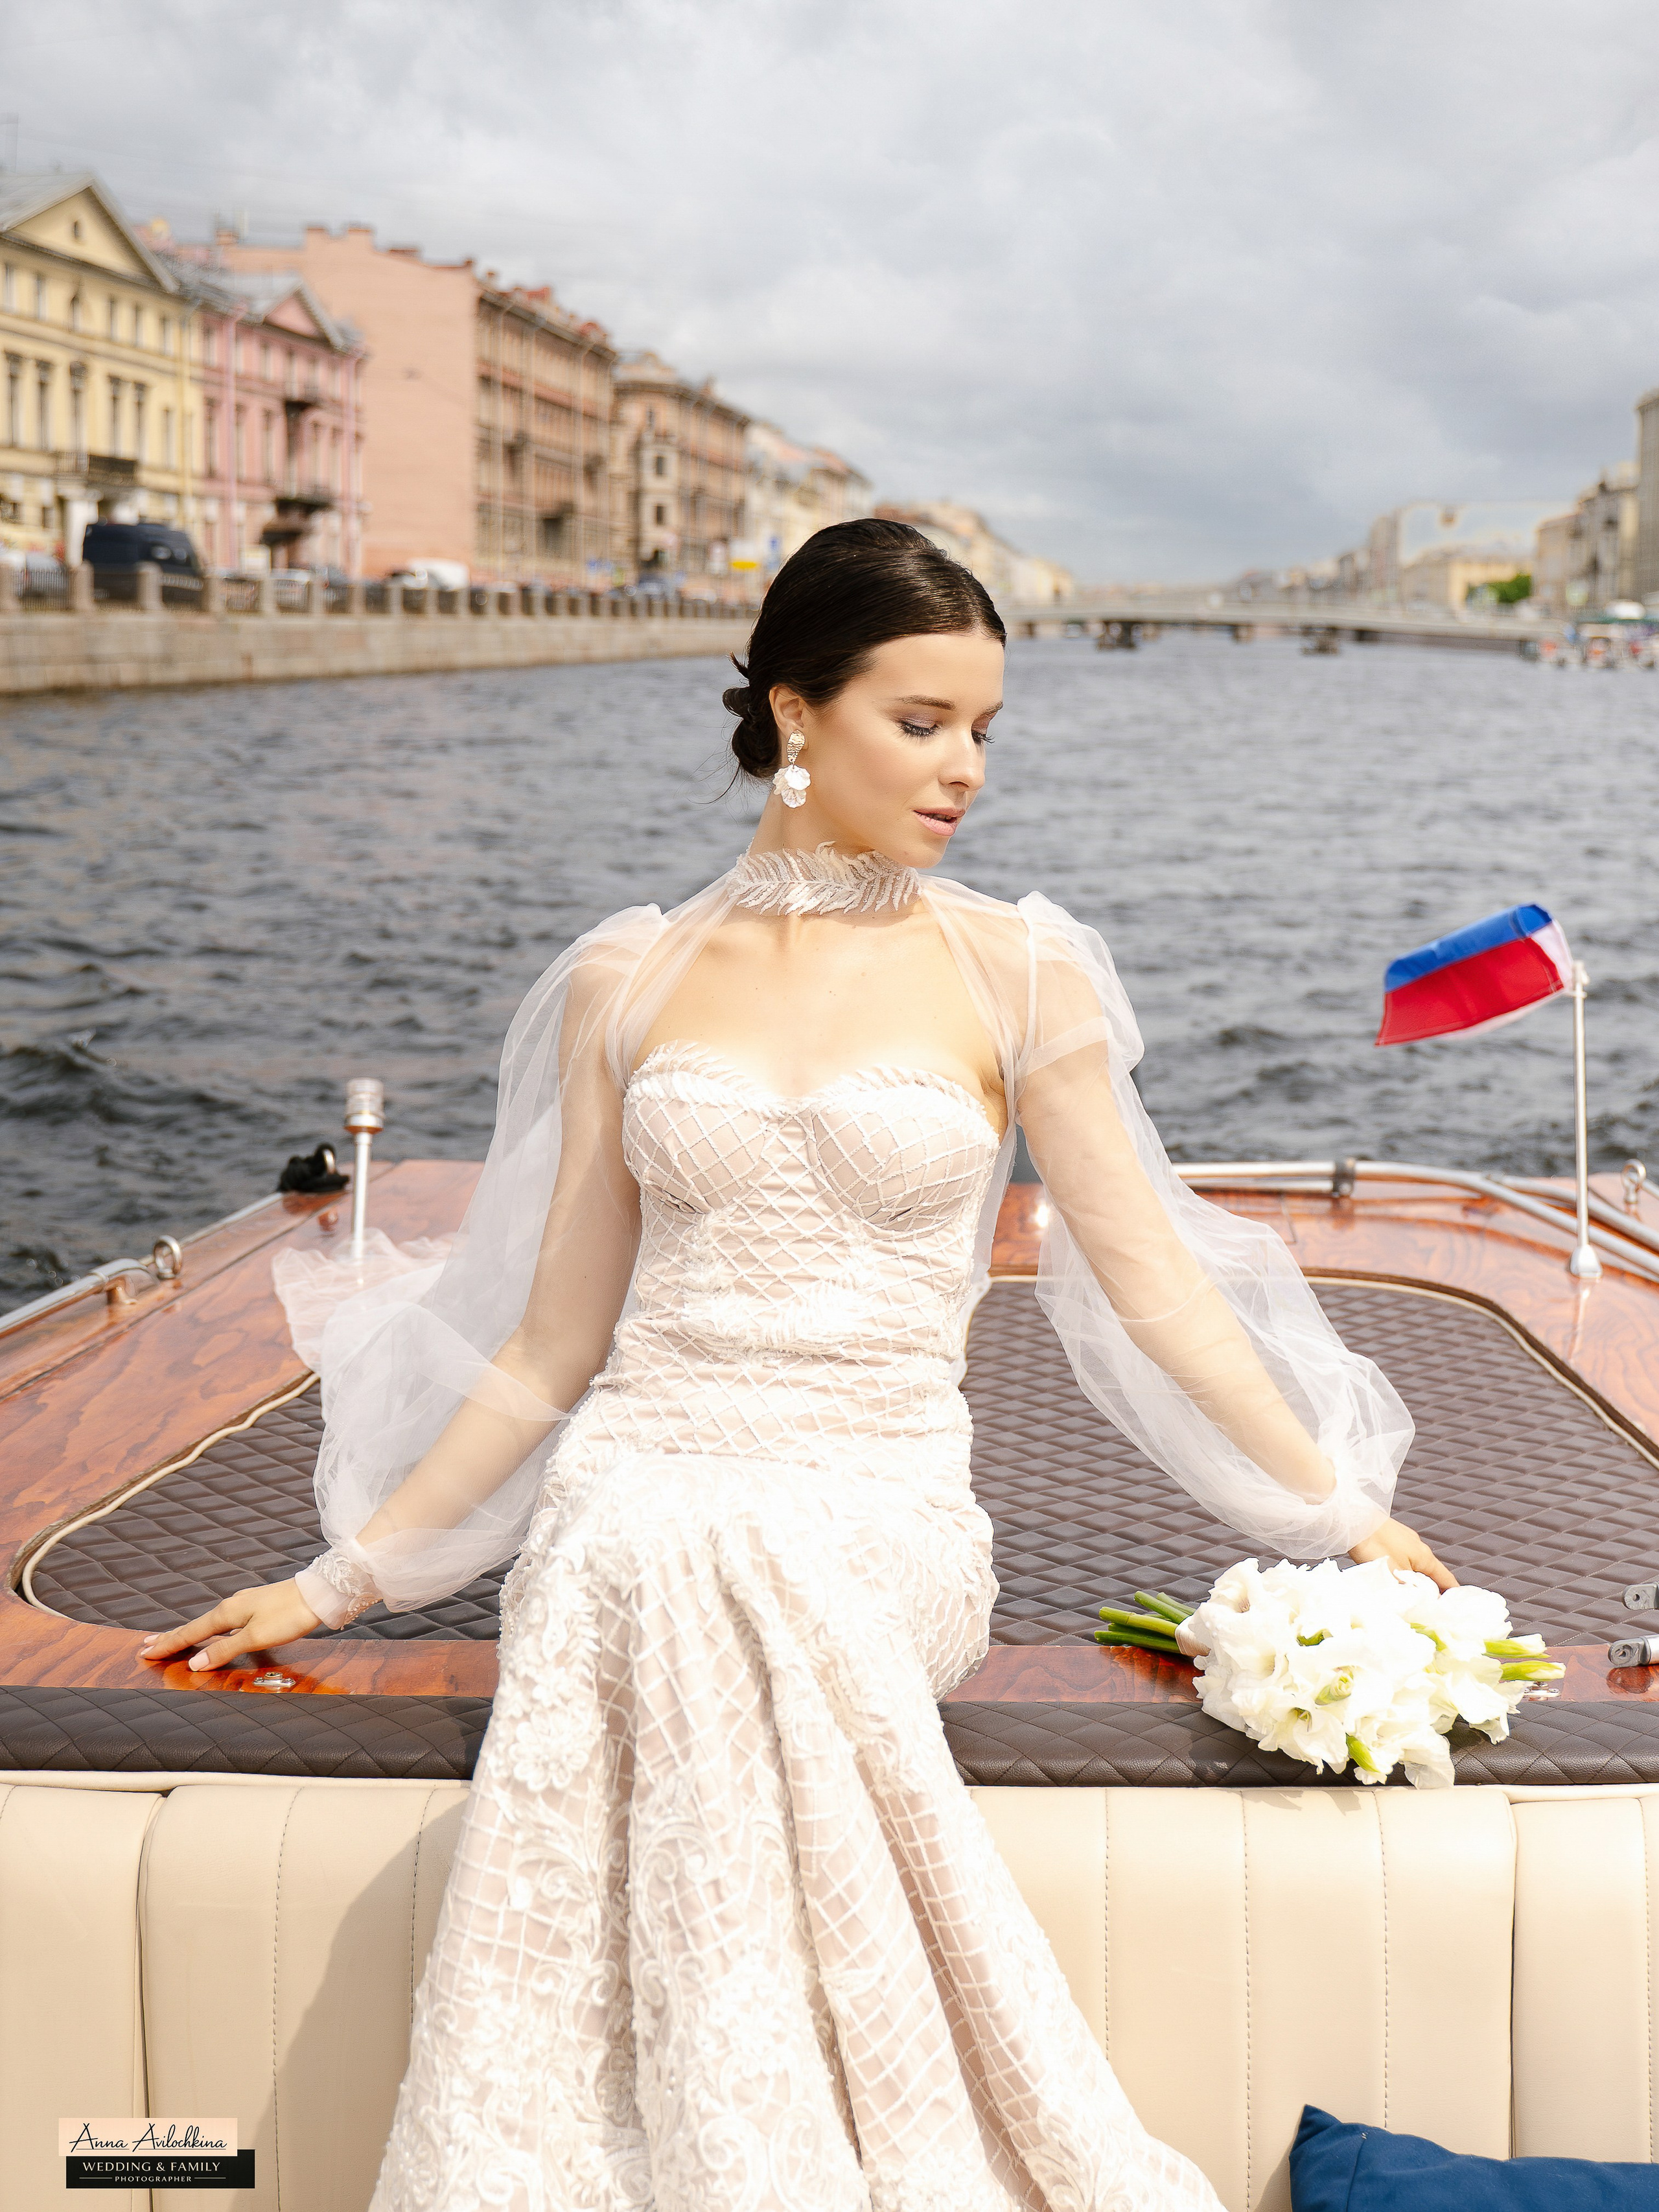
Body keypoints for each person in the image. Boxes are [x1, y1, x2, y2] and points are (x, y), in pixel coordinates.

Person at [143, 518, 1449, 2210]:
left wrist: (1341, 1507)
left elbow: (1161, 1294)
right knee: (652, 1535)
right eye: (924, 721)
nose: (966, 767)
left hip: (876, 1502)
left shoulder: (1013, 968)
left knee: (714, 1553)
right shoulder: (633, 976)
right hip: (647, 1474)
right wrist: (343, 1581)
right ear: (793, 713)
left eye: (985, 727)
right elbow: (553, 1348)